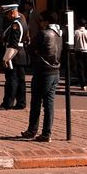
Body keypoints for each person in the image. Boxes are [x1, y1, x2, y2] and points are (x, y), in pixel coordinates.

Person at [21, 11, 64, 142]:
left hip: (43, 71)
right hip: (55, 71)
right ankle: (46, 133)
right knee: (49, 104)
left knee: (36, 102)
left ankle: (32, 130)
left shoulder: (44, 34)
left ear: (46, 21)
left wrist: (34, 50)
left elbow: (30, 48)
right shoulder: (59, 34)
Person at [0, 6, 29, 111]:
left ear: (12, 12)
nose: (7, 17)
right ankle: (21, 102)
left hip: (14, 54)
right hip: (21, 54)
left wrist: (6, 58)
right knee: (20, 80)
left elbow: (13, 43)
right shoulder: (22, 22)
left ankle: (7, 103)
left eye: (8, 14)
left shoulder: (15, 24)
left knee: (11, 80)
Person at [71, 19, 87, 90]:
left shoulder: (75, 32)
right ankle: (86, 82)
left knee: (79, 68)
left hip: (78, 51)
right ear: (85, 25)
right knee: (86, 67)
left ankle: (82, 84)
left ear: (78, 25)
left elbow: (73, 42)